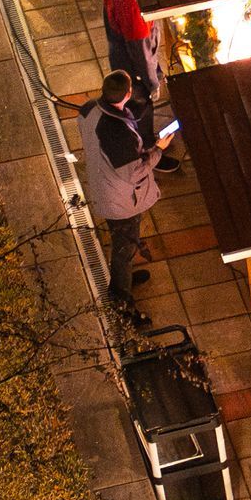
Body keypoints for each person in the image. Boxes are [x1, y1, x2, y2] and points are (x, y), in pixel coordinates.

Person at [78, 71, 163, 318]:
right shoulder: (118, 131)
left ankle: (122, 282)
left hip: (103, 186)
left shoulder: (88, 109)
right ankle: (122, 303)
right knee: (124, 248)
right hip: (120, 200)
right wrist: (157, 151)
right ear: (127, 94)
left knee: (123, 243)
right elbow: (134, 173)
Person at [100, 0, 176, 161]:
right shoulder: (135, 8)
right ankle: (150, 152)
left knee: (134, 106)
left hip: (118, 53)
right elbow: (142, 55)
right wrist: (153, 83)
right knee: (142, 106)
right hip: (134, 68)